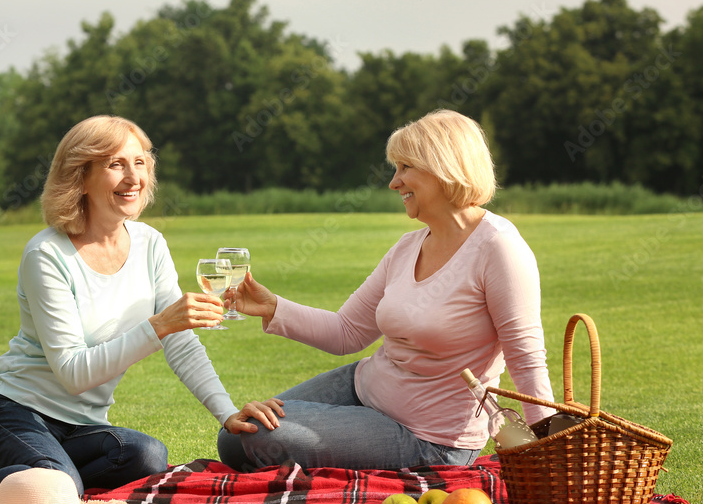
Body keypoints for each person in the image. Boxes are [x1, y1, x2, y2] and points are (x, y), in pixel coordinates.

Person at [216, 109, 557, 472]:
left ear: (444, 168)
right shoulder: (408, 246)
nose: (395, 183)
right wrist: (273, 308)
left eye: (405, 168)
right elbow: (346, 331)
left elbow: (526, 358)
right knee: (235, 434)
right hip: (363, 386)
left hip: (428, 438)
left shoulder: (499, 248)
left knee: (258, 434)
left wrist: (553, 451)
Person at [0, 115, 282, 499]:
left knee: (149, 457)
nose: (134, 177)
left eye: (140, 162)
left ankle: (46, 473)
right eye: (116, 164)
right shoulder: (46, 254)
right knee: (57, 486)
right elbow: (73, 374)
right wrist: (159, 326)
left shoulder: (150, 244)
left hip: (83, 426)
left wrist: (227, 413)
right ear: (80, 177)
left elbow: (181, 344)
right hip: (13, 413)